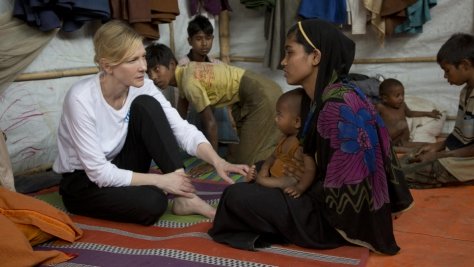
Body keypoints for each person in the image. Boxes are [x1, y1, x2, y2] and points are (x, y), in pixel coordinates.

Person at [208, 19, 414, 255]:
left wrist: (297, 183)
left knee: (235, 196)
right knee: (257, 171)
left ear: (315, 57)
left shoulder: (336, 107)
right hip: (322, 196)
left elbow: (343, 192)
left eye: (289, 52)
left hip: (332, 221)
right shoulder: (328, 96)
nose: (283, 62)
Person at [53, 20, 249, 226]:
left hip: (119, 162)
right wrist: (160, 181)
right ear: (107, 65)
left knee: (147, 105)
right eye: (133, 60)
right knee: (153, 203)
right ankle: (174, 189)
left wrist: (217, 160)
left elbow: (180, 128)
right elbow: (99, 173)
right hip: (84, 182)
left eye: (143, 57)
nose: (143, 67)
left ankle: (186, 197)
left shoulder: (143, 86)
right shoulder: (81, 98)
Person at [145, 43, 283, 165]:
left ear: (171, 64)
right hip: (255, 88)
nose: (153, 77)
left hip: (260, 92)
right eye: (148, 73)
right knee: (242, 152)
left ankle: (284, 164)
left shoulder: (188, 83)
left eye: (156, 70)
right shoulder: (185, 73)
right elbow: (179, 120)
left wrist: (212, 162)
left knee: (246, 162)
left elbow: (210, 123)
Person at [401, 33, 474, 189]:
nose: (445, 76)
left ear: (465, 65)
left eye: (447, 70)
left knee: (400, 177)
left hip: (468, 161)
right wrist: (437, 146)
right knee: (405, 161)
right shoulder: (466, 93)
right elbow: (463, 134)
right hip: (459, 154)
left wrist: (438, 155)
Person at [178, 14, 239, 152]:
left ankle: (220, 144)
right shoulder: (183, 66)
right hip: (193, 116)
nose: (204, 43)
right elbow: (182, 103)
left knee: (221, 105)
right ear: (190, 41)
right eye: (199, 39)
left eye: (208, 38)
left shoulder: (217, 65)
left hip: (216, 118)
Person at [246, 88, 315, 198]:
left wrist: (300, 188)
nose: (275, 119)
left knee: (288, 181)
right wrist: (265, 169)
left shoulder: (301, 145)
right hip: (273, 176)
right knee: (259, 164)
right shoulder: (284, 138)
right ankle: (260, 179)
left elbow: (310, 170)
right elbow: (272, 157)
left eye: (279, 115)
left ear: (297, 122)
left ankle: (259, 180)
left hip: (289, 181)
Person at [376, 78, 442, 147]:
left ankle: (430, 146)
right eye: (397, 96)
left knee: (425, 145)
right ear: (385, 98)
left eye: (403, 94)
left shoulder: (402, 105)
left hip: (403, 141)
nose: (401, 98)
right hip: (388, 140)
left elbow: (410, 113)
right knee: (402, 124)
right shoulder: (380, 107)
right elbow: (372, 122)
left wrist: (428, 113)